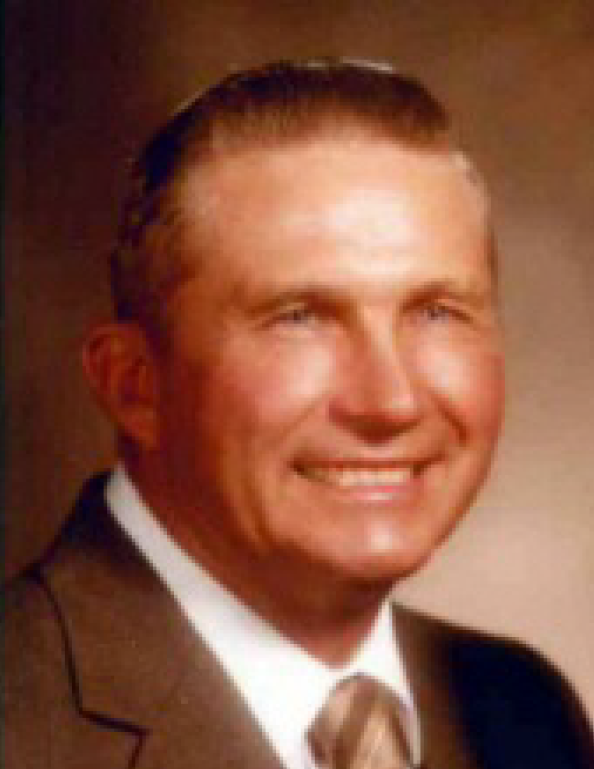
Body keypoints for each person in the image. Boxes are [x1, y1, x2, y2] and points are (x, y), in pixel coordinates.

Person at [4, 59, 593, 769]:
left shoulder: (523, 713)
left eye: (436, 311)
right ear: (135, 387)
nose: (391, 401)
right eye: (299, 316)